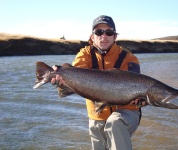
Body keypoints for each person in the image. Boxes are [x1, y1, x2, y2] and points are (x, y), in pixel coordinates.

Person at [51, 15, 146, 150]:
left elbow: (137, 83)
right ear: (92, 36)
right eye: (99, 32)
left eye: (109, 32)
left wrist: (141, 99)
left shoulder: (129, 58)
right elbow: (77, 76)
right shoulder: (84, 54)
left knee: (115, 123)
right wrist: (62, 81)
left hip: (126, 112)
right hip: (97, 115)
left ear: (115, 36)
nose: (104, 36)